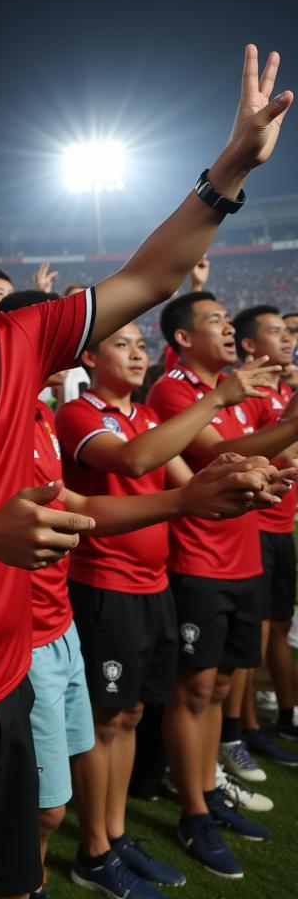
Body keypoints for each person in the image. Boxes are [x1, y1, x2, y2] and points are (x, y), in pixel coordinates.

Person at [0, 43, 294, 898]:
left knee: (15, 880)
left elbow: (150, 274)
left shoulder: (18, 341)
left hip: (6, 679)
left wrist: (229, 168)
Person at [55, 320, 282, 897]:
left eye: (139, 345)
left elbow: (193, 487)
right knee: (107, 720)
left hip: (153, 585)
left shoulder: (150, 417)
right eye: (120, 344)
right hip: (106, 584)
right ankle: (95, 851)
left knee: (129, 717)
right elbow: (133, 462)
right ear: (89, 355)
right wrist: (218, 400)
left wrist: (245, 482)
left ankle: (117, 833)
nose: (136, 354)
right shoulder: (79, 413)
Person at [149, 289, 298, 878]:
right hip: (199, 562)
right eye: (214, 320)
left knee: (216, 690)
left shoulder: (241, 389)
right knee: (194, 688)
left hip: (244, 556)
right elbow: (226, 456)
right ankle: (193, 813)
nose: (227, 328)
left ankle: (208, 789)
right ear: (184, 337)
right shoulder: (176, 392)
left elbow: (273, 448)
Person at [233, 306, 298, 743]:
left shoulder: (280, 393)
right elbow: (245, 455)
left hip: (280, 526)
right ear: (251, 346)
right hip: (253, 527)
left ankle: (284, 713)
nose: (289, 339)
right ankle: (243, 724)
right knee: (252, 631)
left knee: (276, 623)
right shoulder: (248, 395)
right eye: (278, 332)